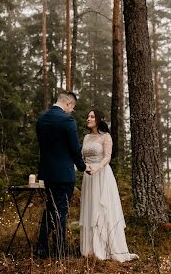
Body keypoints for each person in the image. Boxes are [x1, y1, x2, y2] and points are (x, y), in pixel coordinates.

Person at [36, 90, 90, 258]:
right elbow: (75, 149)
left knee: (50, 209)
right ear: (68, 104)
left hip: (47, 172)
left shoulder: (41, 119)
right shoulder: (67, 120)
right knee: (61, 211)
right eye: (71, 108)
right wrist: (82, 167)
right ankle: (60, 249)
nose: (71, 111)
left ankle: (42, 248)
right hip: (64, 174)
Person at [79, 109, 138, 262]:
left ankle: (106, 247)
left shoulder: (106, 137)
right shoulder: (86, 137)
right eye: (88, 116)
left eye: (91, 116)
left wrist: (97, 168)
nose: (88, 118)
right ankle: (90, 248)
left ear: (98, 120)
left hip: (102, 175)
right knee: (90, 208)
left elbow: (107, 157)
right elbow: (81, 157)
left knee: (102, 208)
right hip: (88, 176)